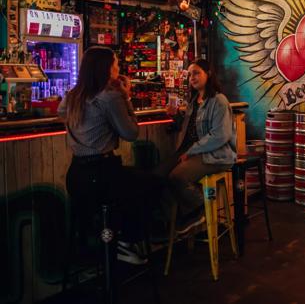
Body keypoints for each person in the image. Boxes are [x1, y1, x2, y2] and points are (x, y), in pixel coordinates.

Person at [58, 46, 163, 264]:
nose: (118, 68)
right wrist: (126, 97)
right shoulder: (110, 96)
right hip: (103, 175)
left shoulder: (71, 96)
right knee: (154, 183)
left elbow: (61, 114)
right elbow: (131, 133)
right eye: (116, 63)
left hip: (76, 176)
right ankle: (126, 241)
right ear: (106, 68)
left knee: (130, 185)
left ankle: (103, 242)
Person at [156, 59, 236, 233]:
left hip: (215, 154)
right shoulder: (194, 101)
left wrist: (192, 151)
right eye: (190, 74)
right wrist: (176, 116)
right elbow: (189, 129)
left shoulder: (218, 101)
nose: (192, 77)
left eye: (197, 73)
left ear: (209, 74)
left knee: (178, 176)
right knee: (158, 175)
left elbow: (220, 135)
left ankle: (199, 209)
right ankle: (170, 224)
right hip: (192, 152)